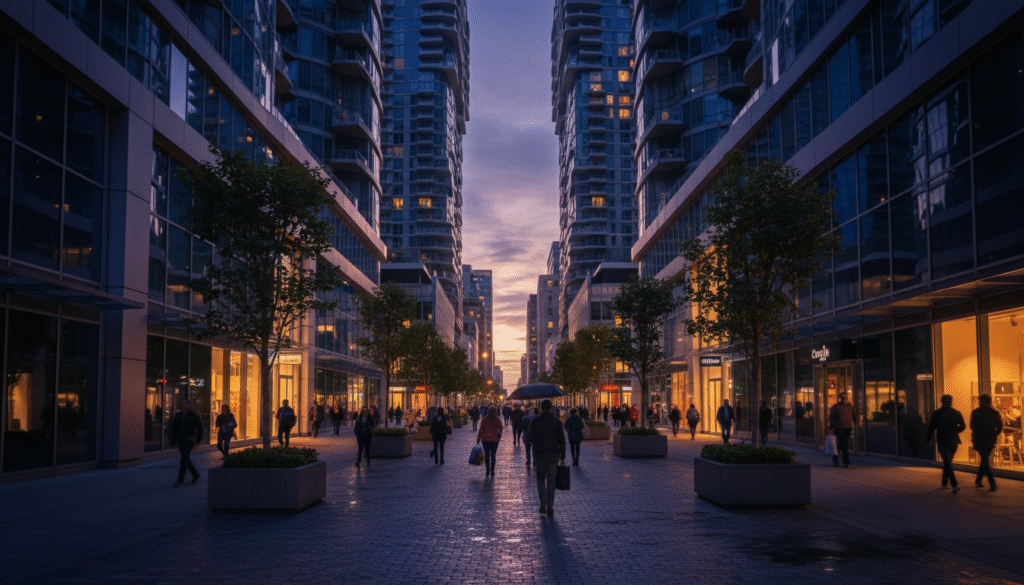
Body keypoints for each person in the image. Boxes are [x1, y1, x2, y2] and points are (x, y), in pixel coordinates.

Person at [527, 400, 566, 516]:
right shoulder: (556, 421)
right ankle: (550, 506)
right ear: (551, 408)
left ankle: (542, 503)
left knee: (540, 479)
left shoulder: (535, 421)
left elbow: (529, 437)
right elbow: (562, 441)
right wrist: (563, 456)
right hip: (554, 455)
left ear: (541, 408)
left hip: (540, 455)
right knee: (551, 481)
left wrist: (534, 442)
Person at [927, 394, 966, 493]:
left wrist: (928, 440)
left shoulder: (937, 413)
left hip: (942, 440)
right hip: (953, 440)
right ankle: (947, 482)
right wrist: (955, 431)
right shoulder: (956, 413)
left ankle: (951, 483)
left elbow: (931, 428)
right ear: (951, 401)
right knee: (948, 462)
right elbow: (963, 426)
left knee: (947, 462)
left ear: (941, 401)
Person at [970, 394, 1003, 491]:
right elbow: (1000, 426)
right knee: (985, 459)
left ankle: (980, 480)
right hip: (990, 440)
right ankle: (991, 482)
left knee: (984, 460)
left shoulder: (976, 412)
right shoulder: (994, 412)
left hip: (979, 439)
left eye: (980, 400)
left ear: (982, 401)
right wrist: (994, 434)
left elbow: (972, 426)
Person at [170, 398, 202, 487]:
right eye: (182, 404)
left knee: (183, 459)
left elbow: (200, 428)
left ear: (189, 405)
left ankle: (180, 480)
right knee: (186, 459)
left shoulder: (193, 415)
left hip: (190, 440)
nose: (183, 406)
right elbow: (175, 429)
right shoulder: (178, 415)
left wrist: (198, 440)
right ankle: (195, 474)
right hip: (181, 441)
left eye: (185, 404)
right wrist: (173, 441)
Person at [828, 391, 857, 468]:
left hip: (848, 427)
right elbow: (831, 417)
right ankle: (846, 462)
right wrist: (832, 426)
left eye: (845, 398)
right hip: (839, 428)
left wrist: (856, 424)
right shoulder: (836, 406)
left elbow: (854, 416)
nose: (844, 399)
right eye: (842, 398)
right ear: (840, 398)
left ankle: (835, 457)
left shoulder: (850, 406)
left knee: (841, 444)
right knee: (844, 445)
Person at [477, 406, 504, 476]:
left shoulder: (485, 419)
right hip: (494, 439)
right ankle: (492, 470)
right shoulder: (497, 419)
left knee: (486, 455)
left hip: (485, 439)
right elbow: (501, 427)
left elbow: (481, 430)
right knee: (493, 455)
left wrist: (478, 440)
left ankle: (487, 469)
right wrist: (499, 433)